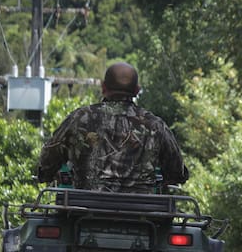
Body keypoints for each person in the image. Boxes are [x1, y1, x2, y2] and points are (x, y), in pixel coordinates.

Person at [35, 61, 188, 192]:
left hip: (82, 211)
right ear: (137, 90)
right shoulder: (155, 126)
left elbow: (47, 162)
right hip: (142, 216)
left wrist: (47, 174)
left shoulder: (80, 119)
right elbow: (177, 173)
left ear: (103, 87)